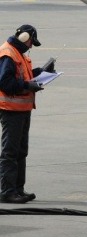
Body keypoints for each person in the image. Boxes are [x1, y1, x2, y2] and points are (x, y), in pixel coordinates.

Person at [1, 23, 52, 204]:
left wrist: (41, 72)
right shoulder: (8, 54)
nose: (31, 46)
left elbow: (23, 76)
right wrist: (27, 86)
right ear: (24, 38)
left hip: (22, 110)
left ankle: (18, 189)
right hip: (11, 111)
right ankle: (8, 191)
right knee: (10, 152)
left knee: (21, 151)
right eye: (31, 42)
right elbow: (5, 83)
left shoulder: (17, 53)